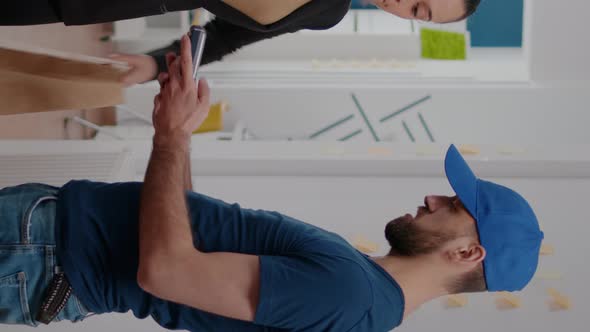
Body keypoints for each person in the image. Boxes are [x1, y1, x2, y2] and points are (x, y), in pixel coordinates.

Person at [0, 35, 543, 332]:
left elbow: (166, 271)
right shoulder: (361, 286)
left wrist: (167, 139)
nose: (432, 197)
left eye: (452, 204)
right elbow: (190, 233)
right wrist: (181, 132)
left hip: (41, 255)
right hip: (45, 243)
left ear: (468, 251)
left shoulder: (350, 295)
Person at [1, 0, 481, 84]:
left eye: (418, 11)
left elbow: (227, 36)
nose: (404, 3)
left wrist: (159, 64)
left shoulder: (326, 12)